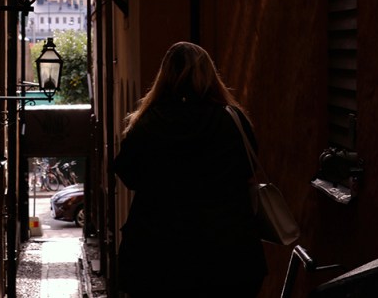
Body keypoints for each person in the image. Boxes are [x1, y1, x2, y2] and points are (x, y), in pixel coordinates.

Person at [114, 42, 267, 297]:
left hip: (158, 255)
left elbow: (128, 173)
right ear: (209, 74)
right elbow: (248, 169)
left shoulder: (146, 124)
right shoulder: (231, 120)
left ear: (164, 77)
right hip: (227, 254)